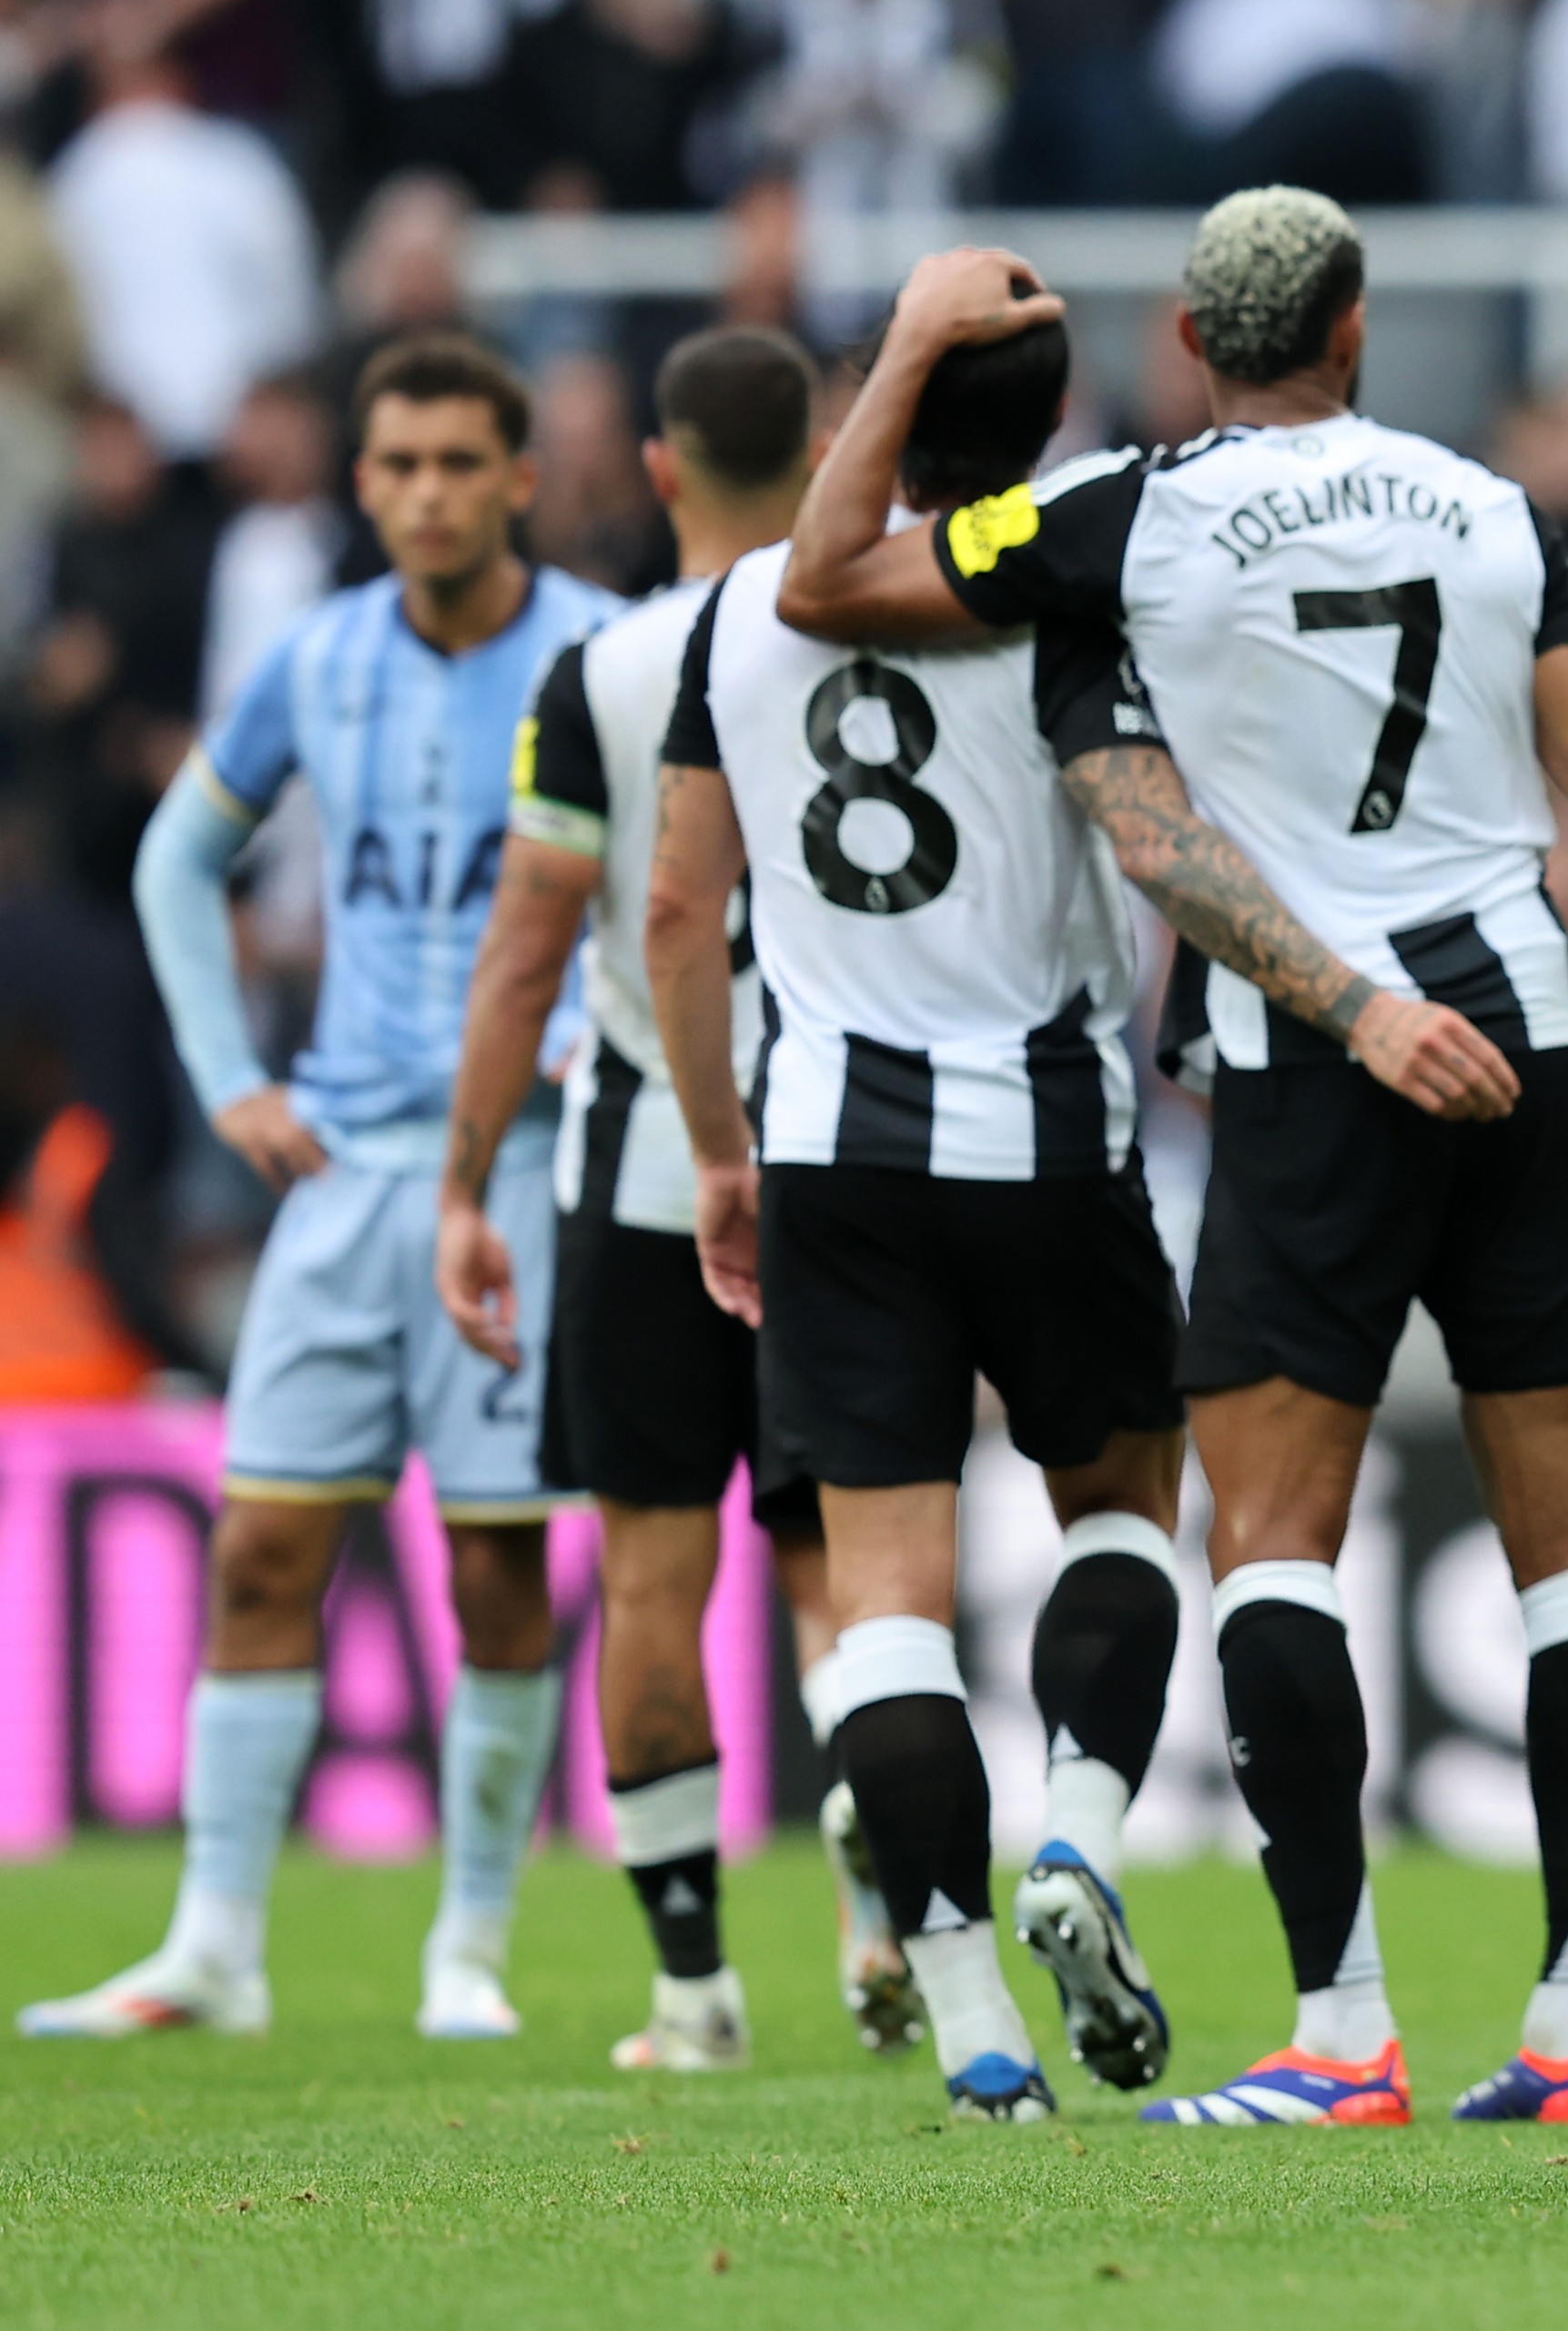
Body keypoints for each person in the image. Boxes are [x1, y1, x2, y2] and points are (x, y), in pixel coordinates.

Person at [771, 196, 1568, 2133]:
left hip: (1321, 1070)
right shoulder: (1487, 507)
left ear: (1191, 346)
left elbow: (824, 581)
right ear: (1358, 326)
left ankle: (1345, 2028)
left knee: (1270, 1536)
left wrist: (1349, 1007)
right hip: (1534, 1049)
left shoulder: (1128, 510)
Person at [663, 263, 1519, 2125]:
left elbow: (673, 904)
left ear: (865, 407)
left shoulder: (735, 620)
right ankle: (1081, 1828)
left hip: (830, 1149)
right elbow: (1180, 824)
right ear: (1051, 427)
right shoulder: (1077, 588)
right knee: (1123, 1509)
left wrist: (718, 1151)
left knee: (881, 1605)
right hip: (1056, 1142)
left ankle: (974, 2027)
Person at [24, 338, 622, 2044]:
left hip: (519, 1173)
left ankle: (473, 1950)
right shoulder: (321, 658)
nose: (427, 491)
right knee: (265, 1548)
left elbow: (685, 884)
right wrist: (230, 1083)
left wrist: (600, 1035)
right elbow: (175, 856)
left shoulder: (600, 651)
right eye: (398, 464)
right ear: (360, 484)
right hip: (351, 1167)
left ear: (519, 476)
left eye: (459, 461)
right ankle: (213, 1946)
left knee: (500, 1572)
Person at [431, 325, 891, 2075]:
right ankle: (872, 1812)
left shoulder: (602, 670)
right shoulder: (880, 623)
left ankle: (693, 1991)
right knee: (843, 1569)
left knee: (649, 1571)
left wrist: (465, 1185)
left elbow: (524, 954)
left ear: (657, 467)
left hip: (638, 1171)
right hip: (851, 1149)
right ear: (827, 447)